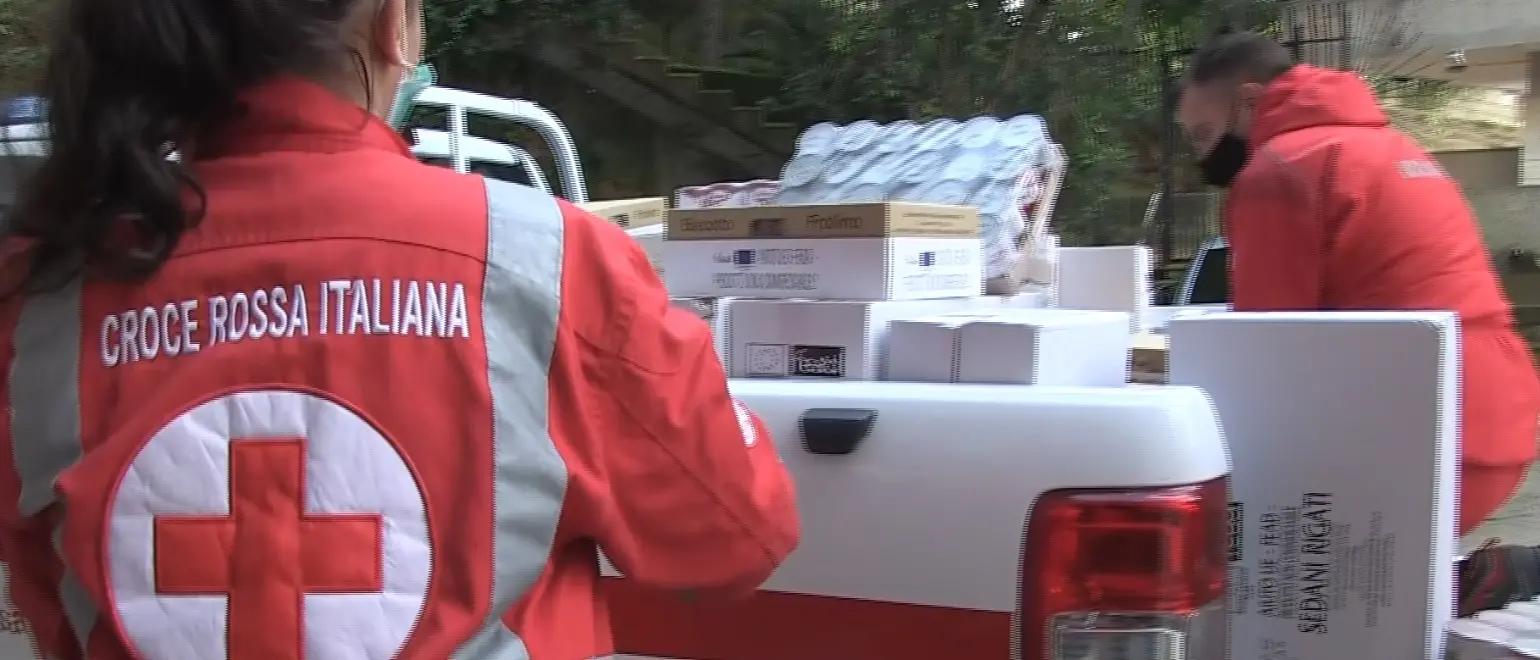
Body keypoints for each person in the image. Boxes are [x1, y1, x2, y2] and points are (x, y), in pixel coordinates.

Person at [0, 0, 801, 656]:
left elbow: (48, 595)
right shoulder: (545, 263)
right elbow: (735, 539)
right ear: (395, 25)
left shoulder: (41, 294)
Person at [1178, 30, 1540, 615]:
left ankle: (1453, 589)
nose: (1201, 154)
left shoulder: (1281, 168)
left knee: (1286, 571)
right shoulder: (1387, 145)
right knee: (1358, 575)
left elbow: (1267, 352)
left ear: (1247, 101)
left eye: (1201, 134)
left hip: (1428, 436)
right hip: (1488, 414)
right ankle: (1460, 582)